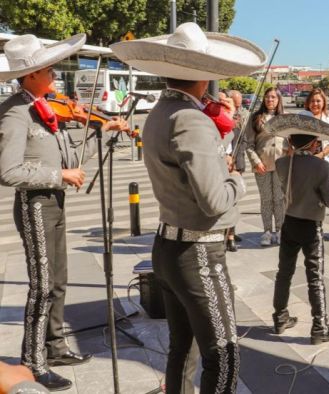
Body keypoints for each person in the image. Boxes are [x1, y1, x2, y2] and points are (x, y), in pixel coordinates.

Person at [110, 22, 264, 393]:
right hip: (198, 251)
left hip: (169, 244)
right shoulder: (192, 120)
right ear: (203, 74)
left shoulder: (161, 112)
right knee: (224, 356)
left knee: (183, 347)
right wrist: (236, 179)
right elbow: (214, 200)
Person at [0, 33, 129, 390]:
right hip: (35, 205)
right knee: (42, 286)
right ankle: (33, 361)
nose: (54, 73)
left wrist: (101, 131)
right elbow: (7, 171)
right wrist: (59, 175)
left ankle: (54, 346)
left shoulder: (44, 107)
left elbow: (72, 160)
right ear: (30, 75)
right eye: (48, 68)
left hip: (54, 202)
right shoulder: (15, 112)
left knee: (58, 281)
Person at [268, 114, 329, 345]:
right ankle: (319, 326)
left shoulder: (282, 163)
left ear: (291, 142)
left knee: (284, 272)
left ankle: (280, 318)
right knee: (314, 276)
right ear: (313, 143)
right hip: (311, 225)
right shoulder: (320, 166)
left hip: (289, 222)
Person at [245, 87, 287, 246]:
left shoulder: (284, 118)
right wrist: (256, 162)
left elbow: (290, 140)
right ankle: (267, 231)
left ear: (278, 100)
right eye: (268, 97)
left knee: (279, 199)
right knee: (266, 199)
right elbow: (249, 144)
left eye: (274, 98)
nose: (270, 100)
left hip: (280, 164)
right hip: (262, 164)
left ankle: (280, 229)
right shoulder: (256, 118)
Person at [224, 90, 248, 252]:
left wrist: (236, 159)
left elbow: (243, 142)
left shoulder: (238, 121)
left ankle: (231, 233)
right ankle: (227, 233)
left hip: (235, 165)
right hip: (220, 166)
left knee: (233, 201)